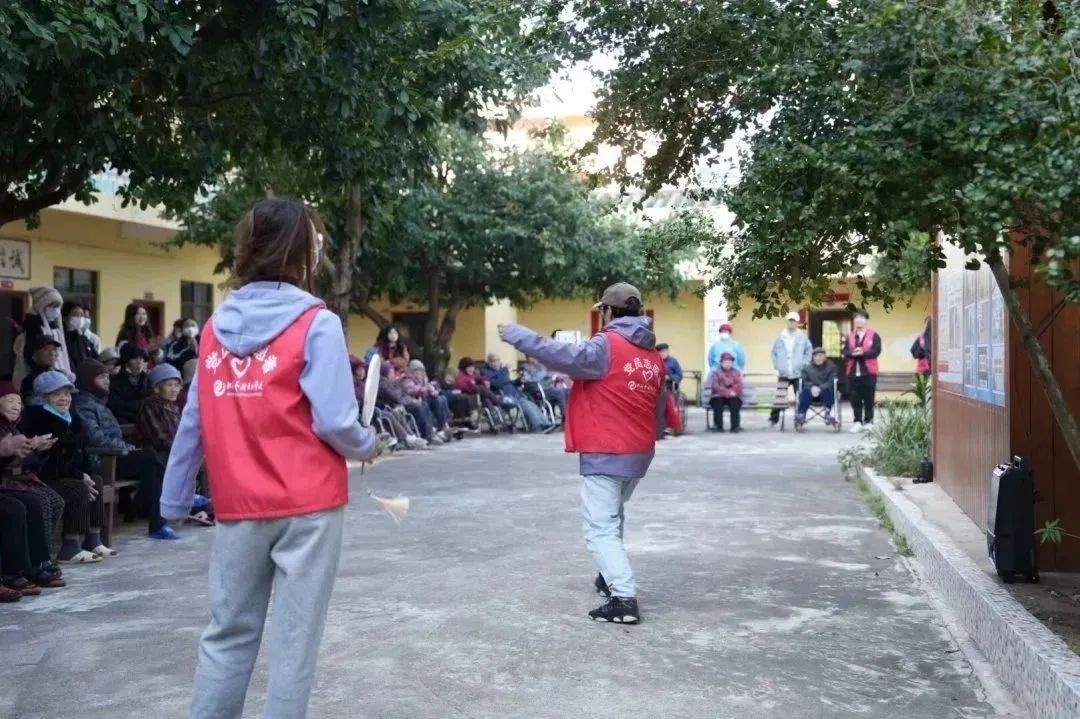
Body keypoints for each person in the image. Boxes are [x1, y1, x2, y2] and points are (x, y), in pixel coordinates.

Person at [160, 198, 378, 718]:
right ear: (304, 251)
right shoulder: (317, 323)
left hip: (238, 505)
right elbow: (334, 421)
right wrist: (367, 444)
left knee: (227, 632)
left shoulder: (214, 328)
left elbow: (193, 420)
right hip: (309, 504)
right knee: (295, 640)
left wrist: (173, 499)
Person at [499, 282, 665, 624]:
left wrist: (517, 335)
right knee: (613, 514)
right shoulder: (651, 355)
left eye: (601, 311)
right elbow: (661, 406)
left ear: (608, 311)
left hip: (607, 448)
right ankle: (609, 575)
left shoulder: (607, 344)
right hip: (639, 451)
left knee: (600, 527)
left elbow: (561, 355)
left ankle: (623, 599)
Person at [75, 358, 174, 540]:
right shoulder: (84, 405)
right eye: (101, 377)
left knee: (154, 464)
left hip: (115, 457)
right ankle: (152, 516)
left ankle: (154, 518)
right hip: (101, 461)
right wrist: (125, 447)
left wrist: (126, 447)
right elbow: (96, 438)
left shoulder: (100, 403)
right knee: (151, 458)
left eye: (107, 376)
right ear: (88, 379)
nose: (107, 380)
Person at [21, 371, 109, 563]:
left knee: (96, 480)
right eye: (57, 394)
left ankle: (93, 539)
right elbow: (54, 459)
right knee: (78, 488)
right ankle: (70, 546)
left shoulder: (72, 418)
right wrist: (79, 476)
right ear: (44, 397)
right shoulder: (40, 420)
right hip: (46, 477)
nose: (64, 398)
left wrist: (85, 473)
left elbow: (82, 451)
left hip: (68, 473)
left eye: (67, 394)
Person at [0, 382, 67, 574]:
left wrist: (37, 449)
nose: (15, 406)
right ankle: (36, 562)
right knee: (39, 502)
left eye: (18, 402)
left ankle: (40, 556)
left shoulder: (14, 427)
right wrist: (10, 450)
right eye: (10, 401)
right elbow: (9, 463)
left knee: (55, 501)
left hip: (22, 479)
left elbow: (30, 463)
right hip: (8, 482)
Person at [482, 354, 553, 433]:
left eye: (498, 360)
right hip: (504, 396)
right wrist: (503, 370)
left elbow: (508, 382)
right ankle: (540, 425)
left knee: (531, 403)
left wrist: (518, 381)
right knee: (525, 404)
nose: (496, 363)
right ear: (489, 362)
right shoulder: (487, 372)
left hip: (514, 393)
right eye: (493, 361)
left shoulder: (502, 371)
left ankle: (546, 423)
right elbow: (497, 384)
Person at [18, 286, 72, 383]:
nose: (55, 310)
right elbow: (31, 355)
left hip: (58, 374)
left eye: (57, 306)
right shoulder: (33, 325)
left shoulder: (55, 325)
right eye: (52, 306)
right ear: (41, 305)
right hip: (43, 377)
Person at [769, 311, 812, 427]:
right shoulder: (780, 337)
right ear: (787, 321)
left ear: (797, 323)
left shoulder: (802, 338)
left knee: (801, 397)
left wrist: (804, 364)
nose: (792, 323)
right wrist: (777, 365)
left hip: (798, 373)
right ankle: (773, 419)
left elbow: (808, 351)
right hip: (784, 372)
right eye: (790, 320)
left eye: (794, 321)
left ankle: (800, 418)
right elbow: (773, 352)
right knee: (780, 396)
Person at [843, 309, 882, 433]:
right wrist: (853, 353)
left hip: (869, 372)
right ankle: (857, 421)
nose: (859, 320)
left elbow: (876, 351)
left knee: (869, 398)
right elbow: (845, 352)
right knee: (855, 398)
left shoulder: (874, 335)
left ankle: (869, 421)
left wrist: (863, 353)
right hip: (852, 372)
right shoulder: (850, 336)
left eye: (861, 317)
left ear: (866, 320)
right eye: (856, 318)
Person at [136, 364, 182, 464]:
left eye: (177, 385)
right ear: (156, 388)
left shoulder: (173, 408)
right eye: (169, 385)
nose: (174, 389)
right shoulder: (150, 405)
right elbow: (160, 439)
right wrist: (182, 450)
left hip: (175, 452)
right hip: (157, 456)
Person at [401, 359, 452, 441]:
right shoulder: (407, 379)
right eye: (417, 370)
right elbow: (410, 390)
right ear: (412, 370)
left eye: (421, 370)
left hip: (424, 398)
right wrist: (424, 388)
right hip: (413, 401)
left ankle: (443, 425)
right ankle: (432, 431)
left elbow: (429, 388)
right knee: (424, 405)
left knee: (441, 399)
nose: (420, 372)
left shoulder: (424, 378)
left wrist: (433, 391)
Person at [107, 343, 152, 424]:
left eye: (141, 358)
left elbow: (153, 403)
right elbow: (115, 406)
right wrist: (139, 405)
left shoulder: (148, 379)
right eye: (135, 358)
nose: (139, 362)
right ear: (126, 361)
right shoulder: (114, 382)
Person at [796, 347, 839, 428]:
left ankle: (828, 413)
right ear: (813, 357)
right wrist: (812, 387)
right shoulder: (807, 368)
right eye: (816, 356)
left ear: (825, 357)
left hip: (825, 392)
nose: (818, 358)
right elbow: (804, 381)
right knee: (805, 391)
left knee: (827, 390)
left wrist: (820, 388)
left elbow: (831, 381)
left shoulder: (831, 367)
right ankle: (802, 414)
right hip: (810, 392)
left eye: (821, 355)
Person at [521, 355, 569, 422]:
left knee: (567, 391)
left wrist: (554, 379)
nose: (535, 359)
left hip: (546, 388)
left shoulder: (540, 366)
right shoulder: (526, 368)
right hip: (538, 391)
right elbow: (533, 381)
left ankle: (567, 414)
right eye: (532, 357)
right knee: (559, 392)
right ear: (528, 358)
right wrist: (547, 375)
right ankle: (564, 416)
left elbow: (546, 379)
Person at [20, 336, 63, 402]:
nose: (52, 353)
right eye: (46, 349)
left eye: (54, 349)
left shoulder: (61, 375)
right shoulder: (31, 380)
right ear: (34, 355)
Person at [709, 352, 744, 432]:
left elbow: (739, 386)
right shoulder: (717, 373)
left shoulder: (736, 373)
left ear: (732, 363)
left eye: (729, 362)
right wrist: (728, 392)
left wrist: (732, 392)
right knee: (717, 402)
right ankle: (718, 426)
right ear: (721, 363)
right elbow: (715, 386)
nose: (727, 364)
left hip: (733, 395)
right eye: (725, 362)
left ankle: (735, 426)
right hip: (719, 395)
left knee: (735, 402)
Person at [62, 301, 98, 371]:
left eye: (81, 315)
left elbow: (95, 357)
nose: (80, 318)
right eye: (75, 315)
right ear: (65, 317)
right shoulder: (62, 338)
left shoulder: (83, 339)